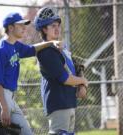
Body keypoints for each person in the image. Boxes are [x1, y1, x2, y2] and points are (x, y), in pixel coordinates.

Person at [0, 12, 62, 135]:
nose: (24, 28)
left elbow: (32, 49)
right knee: (0, 132)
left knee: (26, 132)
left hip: (9, 97)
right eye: (20, 25)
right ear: (10, 28)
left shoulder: (15, 45)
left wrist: (50, 43)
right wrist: (4, 107)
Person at [34, 7, 88, 135]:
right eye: (53, 25)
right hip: (58, 104)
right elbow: (65, 78)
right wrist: (83, 81)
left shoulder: (61, 49)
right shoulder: (46, 52)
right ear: (44, 29)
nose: (57, 28)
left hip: (69, 103)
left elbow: (75, 70)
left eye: (58, 25)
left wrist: (81, 84)